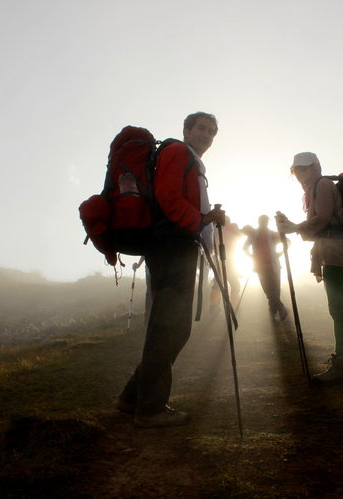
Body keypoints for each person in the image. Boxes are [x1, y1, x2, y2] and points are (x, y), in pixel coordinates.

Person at [117, 112, 225, 427]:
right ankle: (149, 409)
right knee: (170, 328)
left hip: (177, 247)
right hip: (170, 246)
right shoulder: (177, 151)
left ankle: (131, 399)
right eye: (201, 128)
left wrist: (206, 219)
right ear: (187, 130)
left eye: (211, 131)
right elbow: (167, 197)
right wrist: (200, 221)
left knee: (172, 327)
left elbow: (180, 200)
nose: (206, 134)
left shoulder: (192, 162)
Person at [275, 152, 343, 384]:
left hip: (336, 252)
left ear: (316, 167)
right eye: (296, 170)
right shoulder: (314, 189)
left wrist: (294, 227)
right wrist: (295, 226)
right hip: (337, 251)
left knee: (338, 310)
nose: (300, 174)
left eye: (304, 168)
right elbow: (321, 224)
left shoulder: (322, 185)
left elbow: (323, 219)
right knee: (341, 309)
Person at [242, 215, 288, 322]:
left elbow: (287, 242)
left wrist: (280, 253)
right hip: (261, 267)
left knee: (275, 291)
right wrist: (252, 256)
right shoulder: (254, 235)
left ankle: (274, 311)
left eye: (265, 221)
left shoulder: (272, 234)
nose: (264, 223)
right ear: (259, 222)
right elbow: (244, 247)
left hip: (273, 266)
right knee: (268, 290)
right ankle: (278, 309)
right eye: (263, 221)